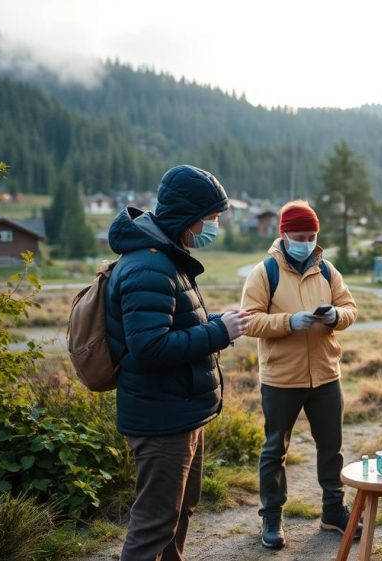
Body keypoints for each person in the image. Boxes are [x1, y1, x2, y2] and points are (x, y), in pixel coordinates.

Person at [105, 164, 251, 561]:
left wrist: (216, 322)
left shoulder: (167, 257)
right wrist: (222, 333)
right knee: (154, 523)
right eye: (212, 218)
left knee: (178, 512)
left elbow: (172, 325)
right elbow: (150, 348)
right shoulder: (149, 265)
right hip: (161, 419)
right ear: (189, 217)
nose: (214, 226)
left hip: (179, 412)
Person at [239, 200, 360, 550]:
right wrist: (289, 323)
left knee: (332, 448)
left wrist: (335, 316)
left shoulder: (327, 270)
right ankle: (272, 518)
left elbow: (351, 308)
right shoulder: (264, 273)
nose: (306, 241)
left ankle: (333, 513)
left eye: (311, 235)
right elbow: (249, 320)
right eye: (299, 235)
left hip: (326, 375)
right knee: (274, 449)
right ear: (284, 234)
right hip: (281, 379)